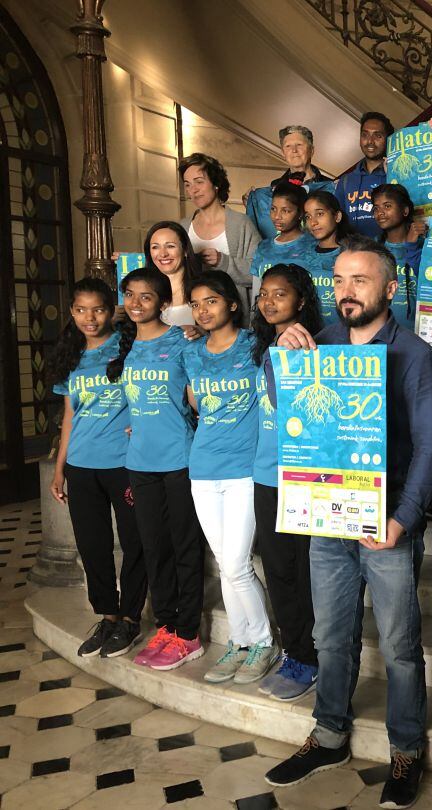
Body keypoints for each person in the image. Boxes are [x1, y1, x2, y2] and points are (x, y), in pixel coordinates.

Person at [265, 236, 432, 810]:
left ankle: (406, 749)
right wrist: (282, 355)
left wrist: (402, 519)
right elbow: (285, 404)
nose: (346, 292)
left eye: (360, 280)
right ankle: (329, 735)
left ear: (390, 289)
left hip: (387, 526)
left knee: (398, 645)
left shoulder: (417, 355)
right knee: (331, 637)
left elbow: (431, 446)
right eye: (339, 281)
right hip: (328, 520)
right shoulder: (317, 344)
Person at [107, 267, 205, 671]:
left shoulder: (182, 342)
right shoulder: (126, 346)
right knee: (152, 546)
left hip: (178, 459)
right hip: (139, 462)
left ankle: (188, 633)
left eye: (145, 296)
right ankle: (166, 624)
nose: (135, 303)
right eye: (129, 294)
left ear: (164, 303)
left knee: (184, 546)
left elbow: (198, 399)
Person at [185, 271, 279, 686]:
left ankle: (263, 641)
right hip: (202, 468)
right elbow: (194, 404)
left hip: (245, 468)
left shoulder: (257, 345)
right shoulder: (190, 352)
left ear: (233, 304)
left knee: (238, 563)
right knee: (226, 564)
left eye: (211, 301)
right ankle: (240, 642)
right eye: (196, 303)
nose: (203, 311)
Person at [48, 278, 145, 659]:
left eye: (99, 309)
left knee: (135, 541)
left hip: (123, 463)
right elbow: (70, 416)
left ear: (112, 309)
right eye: (81, 310)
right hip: (81, 466)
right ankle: (107, 616)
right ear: (72, 313)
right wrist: (60, 470)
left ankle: (130, 619)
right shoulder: (71, 356)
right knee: (93, 546)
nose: (91, 318)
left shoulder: (130, 348)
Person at [250, 264, 324, 701]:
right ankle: (296, 652)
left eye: (280, 294)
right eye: (264, 294)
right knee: (278, 570)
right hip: (265, 474)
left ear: (301, 300)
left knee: (303, 570)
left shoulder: (311, 344)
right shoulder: (266, 344)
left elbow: (292, 404)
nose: (269, 301)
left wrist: (286, 352)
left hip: (300, 475)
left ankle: (310, 656)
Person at [179, 153, 261, 314]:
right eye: (187, 184)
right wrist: (131, 259)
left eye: (199, 182)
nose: (193, 190)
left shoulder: (241, 224)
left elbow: (260, 272)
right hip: (192, 319)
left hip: (235, 319)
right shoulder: (182, 227)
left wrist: (223, 262)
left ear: (216, 184)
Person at [247, 125, 336, 239]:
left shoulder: (334, 188)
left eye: (299, 145)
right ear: (283, 153)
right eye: (288, 146)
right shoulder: (268, 192)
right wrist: (252, 202)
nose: (294, 150)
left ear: (311, 150)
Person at [250, 182, 318, 299]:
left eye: (285, 211)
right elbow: (257, 291)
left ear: (300, 213)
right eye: (273, 209)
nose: (277, 216)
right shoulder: (263, 247)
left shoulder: (313, 245)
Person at [373, 183, 425, 331]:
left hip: (422, 334)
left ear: (405, 210)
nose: (380, 212)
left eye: (387, 206)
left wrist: (412, 246)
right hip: (384, 336)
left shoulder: (425, 245)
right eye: (376, 208)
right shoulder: (372, 248)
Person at [334, 112, 394, 239]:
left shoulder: (395, 175)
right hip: (353, 252)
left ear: (389, 139)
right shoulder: (346, 181)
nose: (370, 141)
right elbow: (337, 222)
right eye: (365, 135)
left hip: (387, 254)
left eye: (378, 136)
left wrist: (393, 175)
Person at [305, 190, 357, 323]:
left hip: (346, 335)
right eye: (308, 217)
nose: (313, 222)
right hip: (311, 336)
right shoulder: (304, 255)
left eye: (320, 214)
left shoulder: (353, 254)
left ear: (337, 216)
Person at [142, 221, 205, 330]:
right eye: (155, 247)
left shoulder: (204, 288)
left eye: (170, 246)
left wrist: (203, 333)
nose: (163, 254)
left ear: (185, 250)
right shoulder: (141, 291)